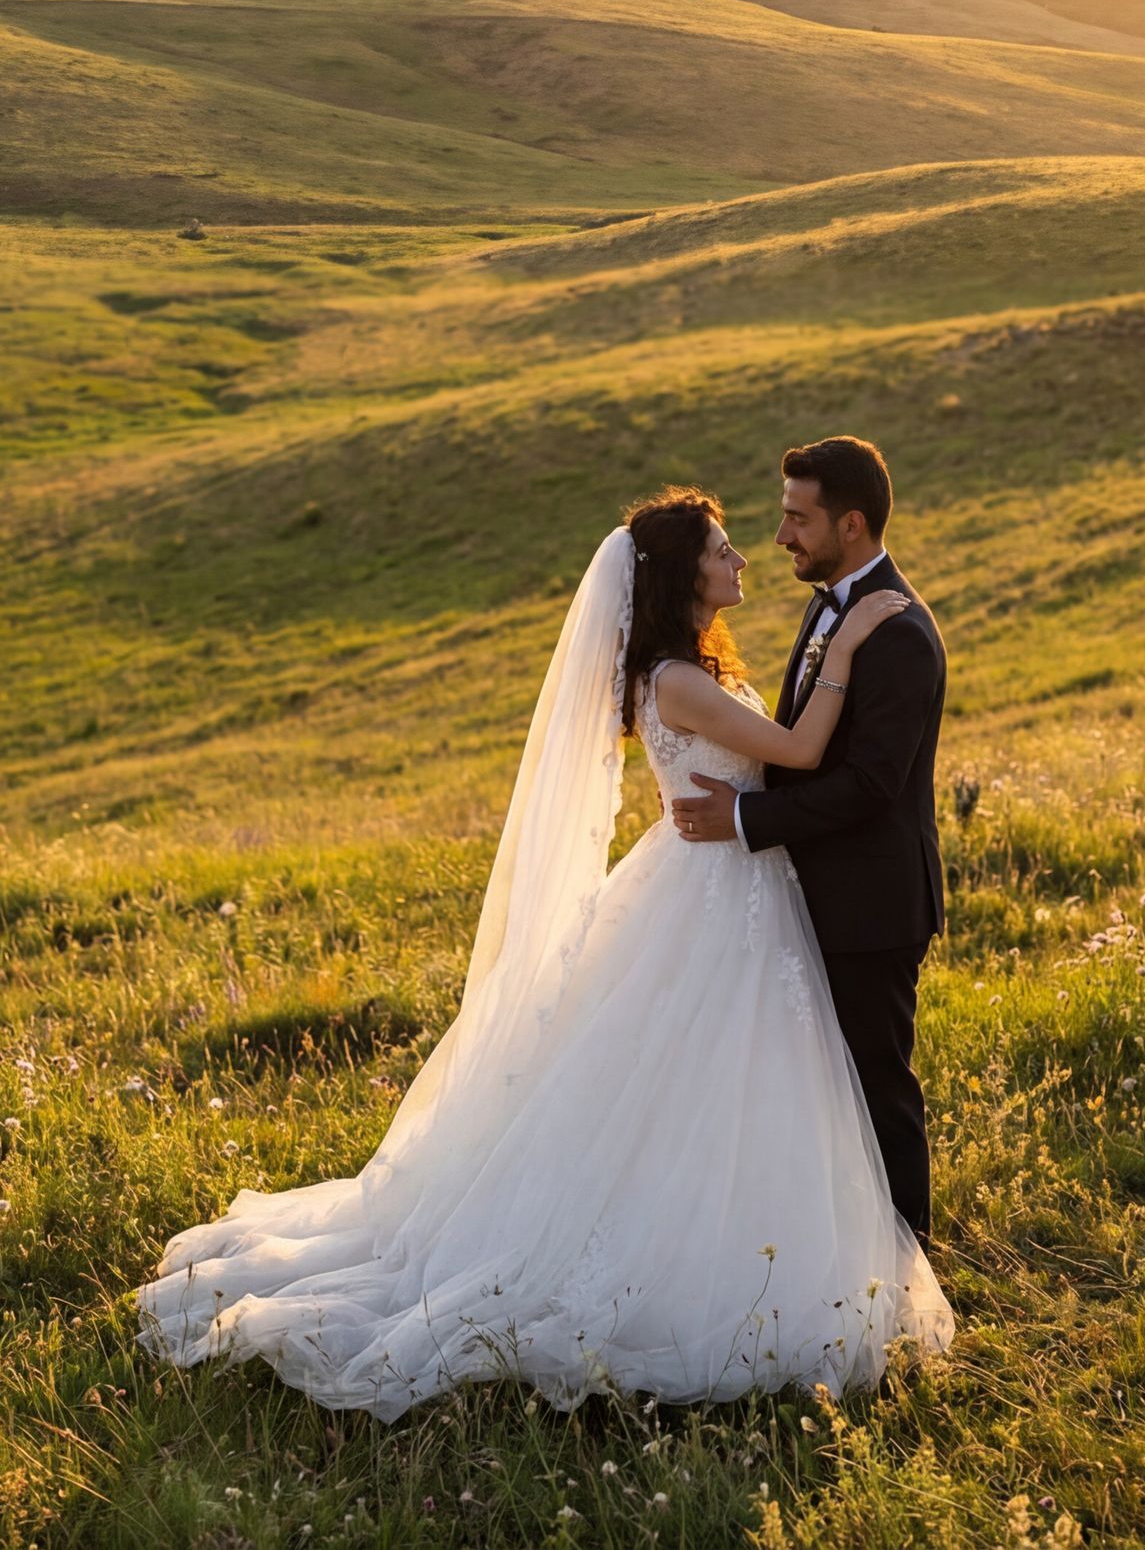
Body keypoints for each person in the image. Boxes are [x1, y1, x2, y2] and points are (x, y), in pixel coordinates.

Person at [131, 484, 952, 1420]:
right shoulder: (678, 679)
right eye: (724, 549)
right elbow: (802, 752)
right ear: (684, 574)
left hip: (737, 887)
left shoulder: (693, 668)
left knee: (725, 1081)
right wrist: (845, 647)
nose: (746, 557)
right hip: (713, 893)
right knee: (696, 1078)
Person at [669, 436, 945, 1240]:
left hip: (871, 903)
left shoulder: (896, 632)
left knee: (876, 1086)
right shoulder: (830, 606)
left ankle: (908, 1262)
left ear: (850, 523)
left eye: (798, 517)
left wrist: (747, 819)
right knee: (819, 1090)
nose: (781, 536)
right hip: (811, 895)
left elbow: (869, 787)